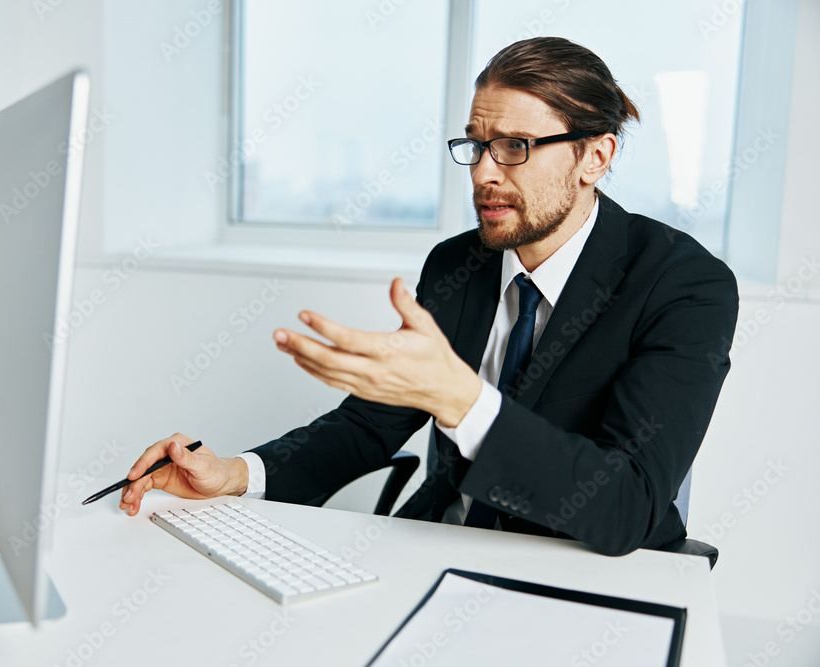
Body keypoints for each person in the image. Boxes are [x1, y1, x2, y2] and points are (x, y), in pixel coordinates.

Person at [119, 36, 738, 557]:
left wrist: (460, 400)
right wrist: (233, 476)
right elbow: (368, 425)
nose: (484, 172)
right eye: (476, 144)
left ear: (594, 157)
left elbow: (626, 504)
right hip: (443, 546)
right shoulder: (458, 263)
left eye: (516, 147)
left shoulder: (685, 287)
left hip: (582, 570)